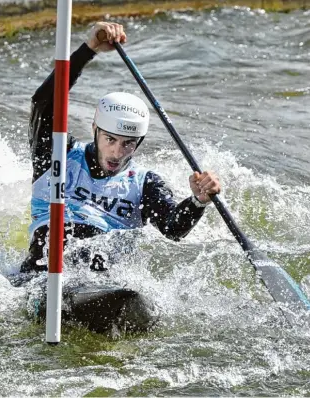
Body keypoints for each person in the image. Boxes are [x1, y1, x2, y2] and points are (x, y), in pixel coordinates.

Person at [20, 21, 221, 274]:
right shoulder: (57, 155)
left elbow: (172, 230)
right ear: (95, 129)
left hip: (101, 280)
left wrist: (198, 201)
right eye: (110, 140)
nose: (117, 152)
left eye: (128, 144)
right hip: (42, 271)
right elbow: (43, 103)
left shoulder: (144, 184)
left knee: (105, 257)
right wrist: (89, 48)